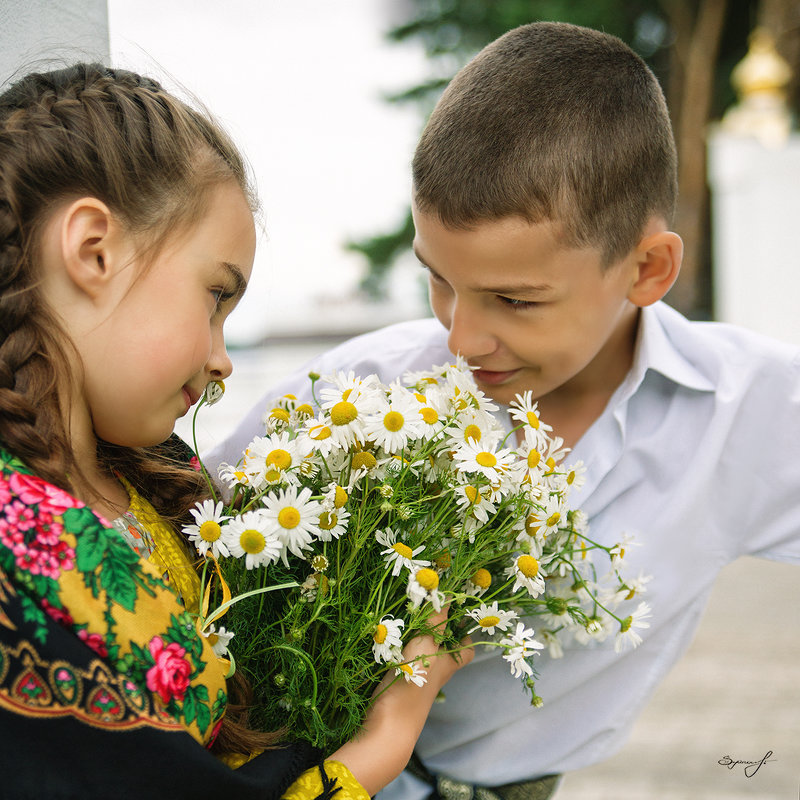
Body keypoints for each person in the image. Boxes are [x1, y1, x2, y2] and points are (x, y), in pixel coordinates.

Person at [205, 21, 800, 800]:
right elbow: (192, 538)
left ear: (647, 269)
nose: (460, 335)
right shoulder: (363, 388)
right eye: (438, 278)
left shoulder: (746, 412)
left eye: (515, 299)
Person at [0, 62, 471, 799]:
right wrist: (383, 740)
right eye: (216, 297)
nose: (222, 361)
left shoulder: (149, 480)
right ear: (93, 248)